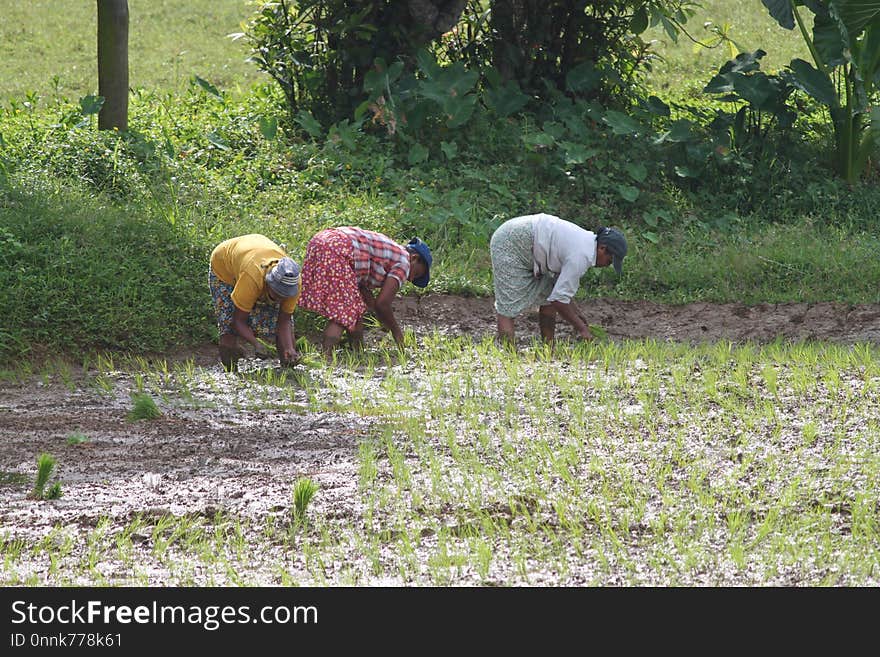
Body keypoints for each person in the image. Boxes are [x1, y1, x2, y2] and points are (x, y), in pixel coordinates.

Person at [489, 213, 627, 344]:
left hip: (526, 237)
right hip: (511, 241)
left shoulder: (586, 244)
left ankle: (548, 349)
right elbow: (559, 300)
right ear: (602, 248)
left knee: (548, 293)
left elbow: (559, 291)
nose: (606, 265)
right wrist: (582, 328)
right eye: (609, 261)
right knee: (508, 306)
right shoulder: (581, 256)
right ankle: (509, 357)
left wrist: (577, 314)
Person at [298, 226, 432, 355]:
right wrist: (397, 332)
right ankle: (326, 357)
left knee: (353, 310)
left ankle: (358, 352)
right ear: (414, 258)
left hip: (322, 240)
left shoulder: (391, 252)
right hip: (338, 248)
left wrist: (381, 318)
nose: (411, 278)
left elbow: (366, 297)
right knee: (342, 312)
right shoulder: (404, 263)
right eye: (417, 274)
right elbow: (382, 304)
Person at [209, 233, 302, 371]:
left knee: (286, 336)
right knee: (228, 328)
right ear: (269, 282)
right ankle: (231, 374)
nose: (280, 299)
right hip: (225, 266)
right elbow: (237, 321)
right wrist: (256, 343)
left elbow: (284, 321)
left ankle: (288, 369)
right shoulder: (252, 278)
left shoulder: (294, 283)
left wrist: (289, 347)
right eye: (277, 293)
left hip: (254, 253)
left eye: (284, 295)